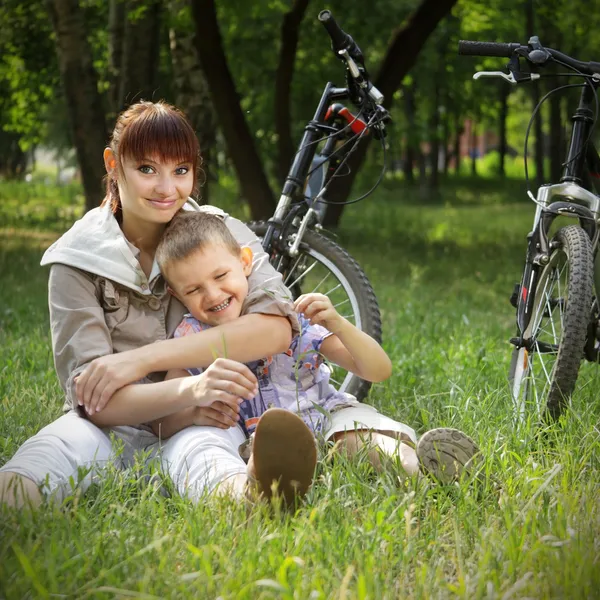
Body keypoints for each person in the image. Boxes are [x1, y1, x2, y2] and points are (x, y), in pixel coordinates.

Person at [0, 100, 306, 508]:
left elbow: (274, 327)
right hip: (109, 426)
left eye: (180, 170)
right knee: (49, 454)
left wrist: (142, 361)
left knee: (208, 459)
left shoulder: (218, 231)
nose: (167, 189)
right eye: (147, 169)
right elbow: (93, 400)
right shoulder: (77, 258)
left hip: (197, 421)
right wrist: (191, 387)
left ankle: (255, 499)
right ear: (113, 164)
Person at [86, 209, 480, 504]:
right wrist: (191, 410)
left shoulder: (288, 320)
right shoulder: (190, 336)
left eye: (221, 277)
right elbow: (167, 416)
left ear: (244, 263)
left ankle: (427, 472)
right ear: (177, 296)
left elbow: (377, 369)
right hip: (267, 440)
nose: (212, 295)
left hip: (329, 414)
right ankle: (272, 488)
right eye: (194, 290)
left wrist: (339, 324)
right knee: (264, 460)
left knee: (359, 441)